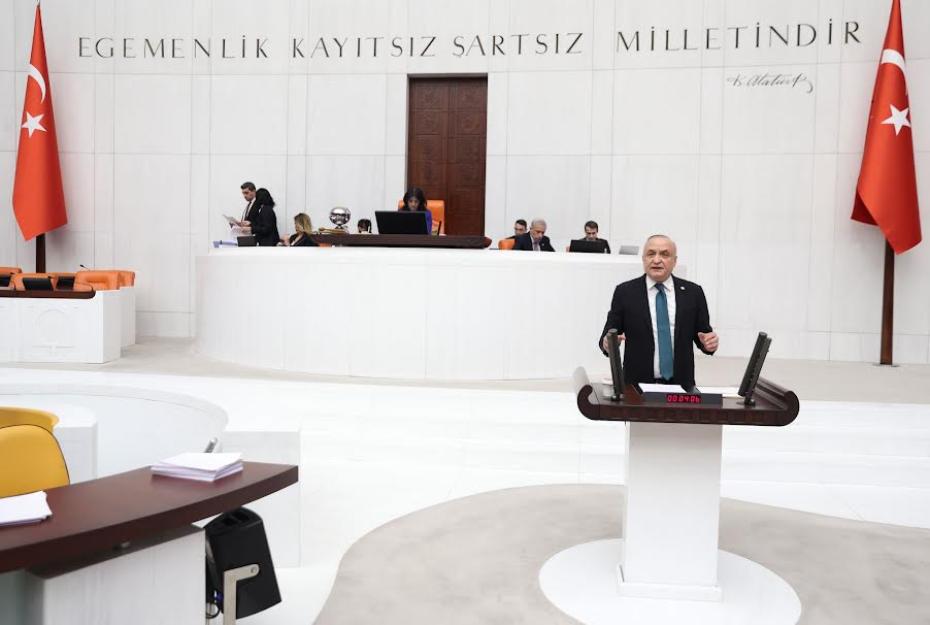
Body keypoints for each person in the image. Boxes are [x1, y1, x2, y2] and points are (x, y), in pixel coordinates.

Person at [598, 234, 718, 390]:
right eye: (651, 254)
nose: (656, 260)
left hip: (681, 386)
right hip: (636, 388)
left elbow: (704, 335)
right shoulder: (625, 292)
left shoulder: (693, 293)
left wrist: (709, 344)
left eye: (664, 254)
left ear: (674, 261)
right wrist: (608, 344)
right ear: (643, 259)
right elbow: (608, 335)